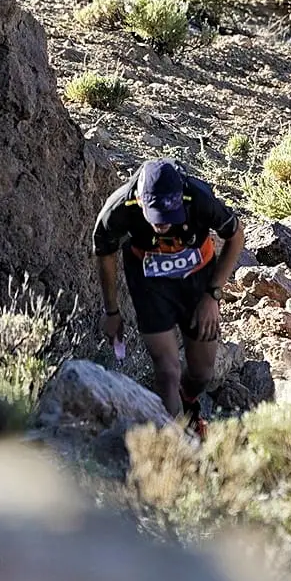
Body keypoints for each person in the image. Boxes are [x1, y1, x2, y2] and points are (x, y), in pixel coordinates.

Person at [93, 158, 244, 426]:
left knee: (202, 373)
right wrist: (111, 311)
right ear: (140, 201)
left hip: (197, 282)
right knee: (168, 370)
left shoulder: (199, 197)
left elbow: (236, 235)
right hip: (150, 284)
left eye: (170, 217)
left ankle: (187, 403)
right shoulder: (118, 208)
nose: (164, 225)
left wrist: (213, 295)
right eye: (157, 218)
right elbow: (105, 252)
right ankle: (175, 443)